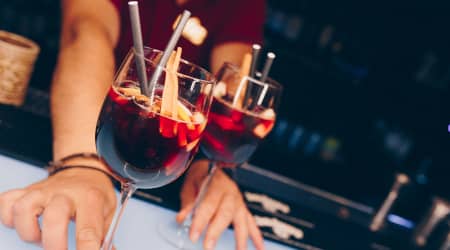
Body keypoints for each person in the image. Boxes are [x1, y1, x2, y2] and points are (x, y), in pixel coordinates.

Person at [0, 0, 266, 250]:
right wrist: (83, 164)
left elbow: (233, 89)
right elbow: (86, 34)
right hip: (77, 128)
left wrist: (210, 165)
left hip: (160, 160)